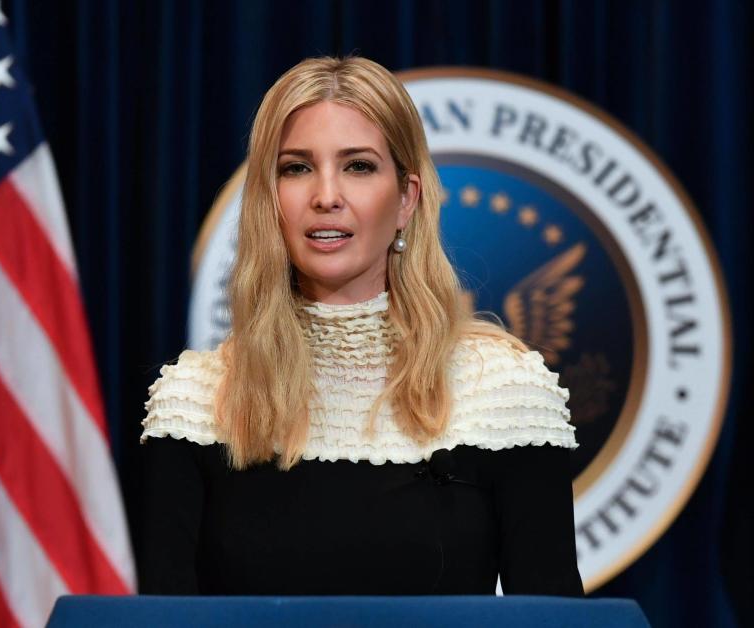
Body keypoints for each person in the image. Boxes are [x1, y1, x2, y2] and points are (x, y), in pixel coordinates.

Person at [138, 55, 583, 596]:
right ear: (268, 201)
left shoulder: (504, 391)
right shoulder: (195, 401)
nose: (326, 196)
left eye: (358, 166)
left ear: (406, 200)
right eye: (296, 168)